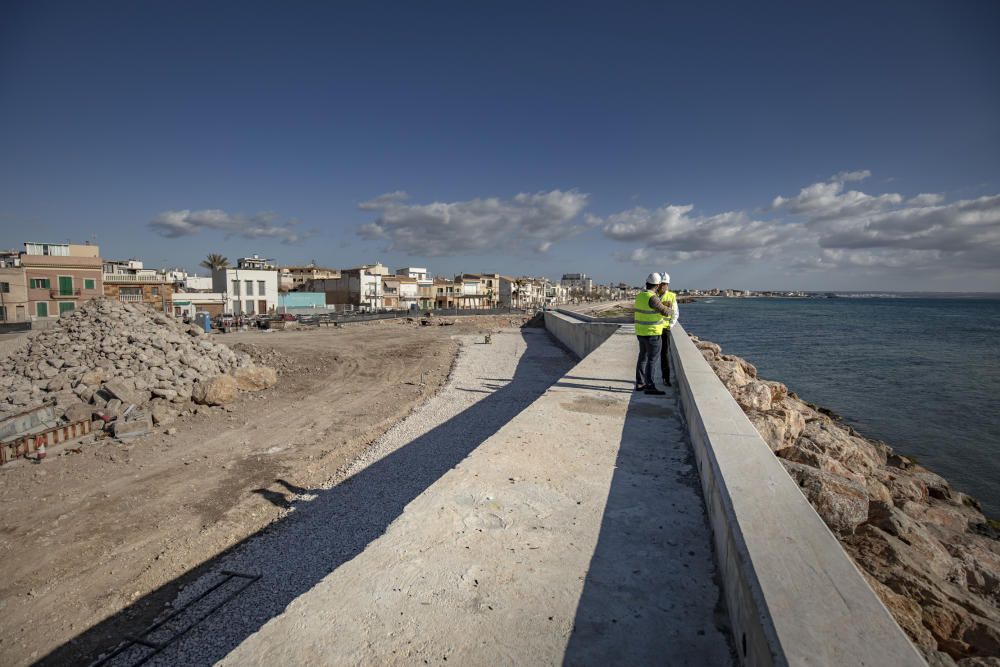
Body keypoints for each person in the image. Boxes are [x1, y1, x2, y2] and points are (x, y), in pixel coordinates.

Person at [634, 272, 670, 395]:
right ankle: (650, 386)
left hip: (641, 333)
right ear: (658, 285)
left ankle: (640, 383)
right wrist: (668, 306)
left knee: (642, 358)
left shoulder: (640, 296)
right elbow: (666, 312)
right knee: (652, 360)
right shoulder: (653, 298)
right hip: (652, 334)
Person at [658, 272, 679, 386]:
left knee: (664, 354)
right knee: (651, 354)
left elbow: (675, 313)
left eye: (664, 284)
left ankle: (666, 378)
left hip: (665, 329)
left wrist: (670, 325)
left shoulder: (671, 296)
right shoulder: (653, 295)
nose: (662, 286)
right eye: (661, 284)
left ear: (667, 284)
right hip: (653, 328)